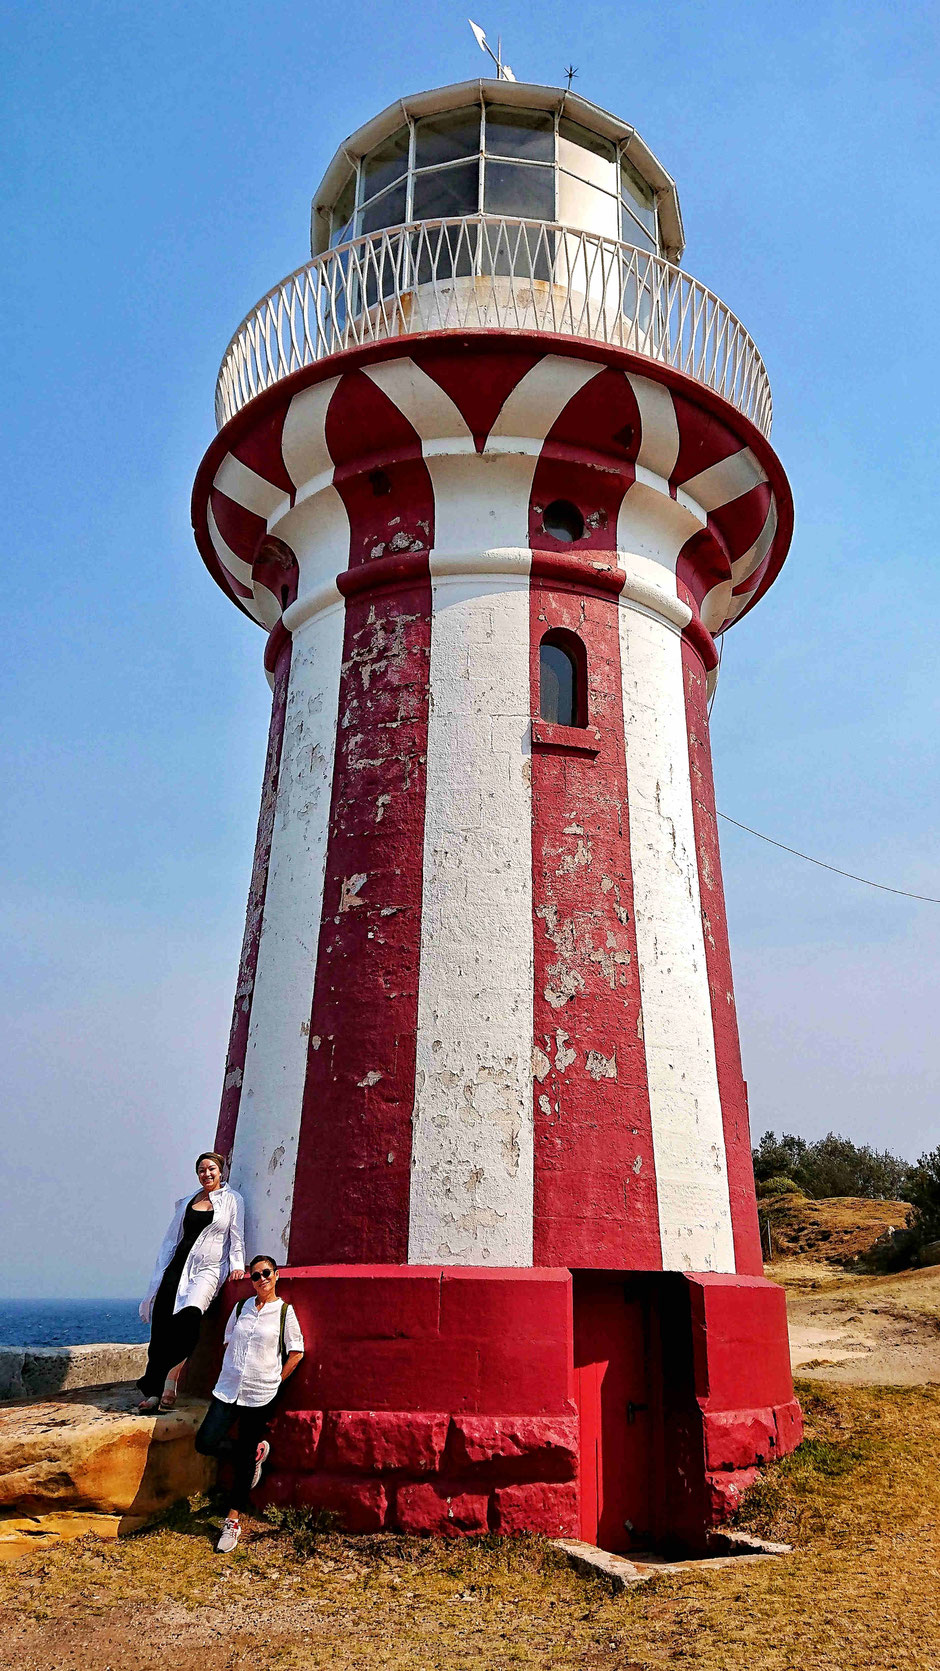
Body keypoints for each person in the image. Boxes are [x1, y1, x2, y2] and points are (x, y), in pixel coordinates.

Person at [195, 1254, 304, 1553]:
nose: (261, 1279)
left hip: (260, 1394)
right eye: (255, 1275)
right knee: (205, 1441)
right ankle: (252, 1457)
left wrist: (276, 1381)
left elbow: (296, 1352)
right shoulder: (241, 1308)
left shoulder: (284, 1312)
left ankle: (232, 1520)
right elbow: (229, 1341)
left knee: (243, 1452)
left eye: (266, 1273)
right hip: (228, 1388)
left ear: (277, 1275)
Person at [136, 1151, 246, 1413]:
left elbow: (237, 1236)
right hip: (177, 1266)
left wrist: (238, 1265)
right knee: (161, 1326)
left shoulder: (233, 1200)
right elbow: (173, 1238)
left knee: (189, 1318)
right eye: (201, 1170)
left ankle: (171, 1379)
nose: (206, 1174)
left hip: (207, 1269)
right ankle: (152, 1390)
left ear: (221, 1172)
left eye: (211, 1169)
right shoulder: (188, 1201)